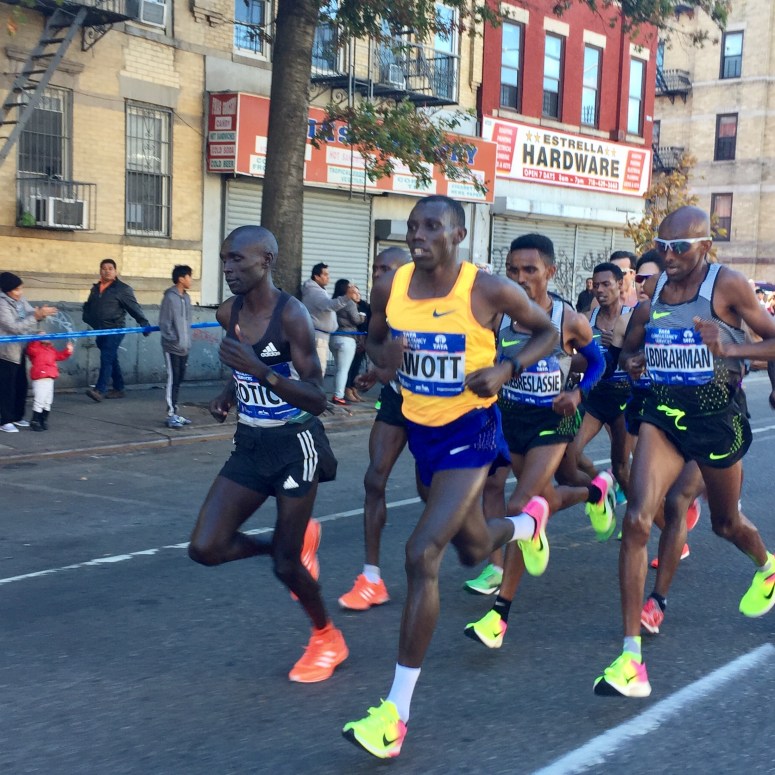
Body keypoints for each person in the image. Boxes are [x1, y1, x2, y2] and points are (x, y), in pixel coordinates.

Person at [341, 195, 558, 758]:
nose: (419, 234)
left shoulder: (485, 289)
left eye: (431, 226)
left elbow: (547, 334)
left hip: (472, 432)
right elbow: (375, 336)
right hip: (423, 432)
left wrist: (508, 366)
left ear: (457, 234)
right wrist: (388, 354)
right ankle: (527, 523)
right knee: (473, 548)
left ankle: (395, 714)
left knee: (421, 554)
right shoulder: (395, 285)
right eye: (413, 225)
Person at [594, 205, 775, 699]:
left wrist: (731, 350)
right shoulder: (654, 297)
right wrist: (635, 361)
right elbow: (637, 351)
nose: (667, 256)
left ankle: (767, 564)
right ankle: (631, 659)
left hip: (717, 422)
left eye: (679, 247)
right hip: (666, 416)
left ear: (705, 247)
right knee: (637, 520)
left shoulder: (727, 285)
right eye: (661, 246)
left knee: (724, 524)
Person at [187, 225, 347, 684]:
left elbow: (317, 398)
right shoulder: (227, 312)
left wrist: (262, 372)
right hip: (251, 444)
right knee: (206, 547)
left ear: (267, 261)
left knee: (286, 564)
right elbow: (242, 369)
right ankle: (288, 546)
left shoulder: (292, 316)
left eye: (239, 259)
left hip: (296, 445)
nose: (230, 268)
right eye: (225, 260)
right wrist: (228, 393)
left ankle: (326, 639)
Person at [463, 233, 607, 650]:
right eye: (512, 270)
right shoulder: (497, 317)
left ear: (550, 271)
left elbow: (598, 362)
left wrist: (577, 394)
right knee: (545, 499)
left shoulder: (567, 319)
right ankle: (597, 491)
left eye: (530, 270)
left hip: (553, 419)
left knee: (518, 506)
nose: (520, 278)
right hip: (512, 419)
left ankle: (498, 617)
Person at [338, 247, 411, 611]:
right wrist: (381, 369)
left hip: (436, 407)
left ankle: (482, 551)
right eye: (376, 268)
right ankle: (371, 578)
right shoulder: (380, 312)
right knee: (374, 480)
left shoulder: (432, 304)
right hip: (396, 400)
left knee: (432, 492)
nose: (379, 274)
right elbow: (380, 352)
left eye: (388, 269)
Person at [561, 262, 635, 535]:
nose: (601, 290)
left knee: (622, 468)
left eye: (607, 284)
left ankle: (636, 523)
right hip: (595, 396)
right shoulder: (585, 321)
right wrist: (590, 353)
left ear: (619, 285)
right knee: (572, 453)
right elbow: (573, 360)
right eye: (596, 284)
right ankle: (600, 484)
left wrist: (620, 346)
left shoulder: (632, 317)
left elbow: (637, 357)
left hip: (624, 399)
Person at [82, 259, 150, 402]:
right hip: (99, 330)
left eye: (110, 268)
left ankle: (99, 390)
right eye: (104, 268)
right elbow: (88, 306)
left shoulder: (122, 289)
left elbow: (134, 308)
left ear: (115, 272)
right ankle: (119, 388)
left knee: (106, 357)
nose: (107, 271)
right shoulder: (95, 288)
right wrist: (87, 317)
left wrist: (144, 323)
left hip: (115, 329)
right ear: (100, 271)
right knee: (111, 358)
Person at [0, 272, 57, 433]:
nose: (20, 292)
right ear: (8, 290)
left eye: (21, 288)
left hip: (20, 349)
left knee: (21, 385)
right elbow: (13, 327)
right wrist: (36, 317)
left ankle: (17, 416)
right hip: (5, 352)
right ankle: (5, 420)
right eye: (17, 289)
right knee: (7, 387)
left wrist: (41, 315)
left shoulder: (20, 301)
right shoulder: (2, 304)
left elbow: (31, 314)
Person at [301, 263, 350, 376]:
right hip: (318, 337)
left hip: (320, 336)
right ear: (316, 276)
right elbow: (328, 305)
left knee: (316, 371)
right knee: (318, 372)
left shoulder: (316, 290)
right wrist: (347, 297)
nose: (328, 277)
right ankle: (313, 393)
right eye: (325, 274)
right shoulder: (314, 291)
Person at [160, 265, 193, 428]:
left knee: (179, 379)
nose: (191, 280)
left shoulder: (186, 298)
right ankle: (170, 414)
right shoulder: (169, 297)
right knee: (172, 379)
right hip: (172, 347)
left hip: (184, 347)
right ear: (181, 278)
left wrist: (186, 342)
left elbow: (187, 323)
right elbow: (164, 323)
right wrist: (173, 340)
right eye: (189, 276)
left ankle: (175, 411)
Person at [25, 337, 74, 431]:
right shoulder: (35, 349)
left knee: (48, 401)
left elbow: (59, 356)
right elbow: (31, 349)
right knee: (40, 400)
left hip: (50, 378)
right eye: (42, 335)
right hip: (40, 378)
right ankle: (35, 421)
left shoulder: (50, 349)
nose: (46, 336)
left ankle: (43, 420)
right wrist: (36, 339)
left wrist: (68, 351)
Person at [329, 279, 364, 405]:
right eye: (350, 286)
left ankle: (336, 393)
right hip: (347, 338)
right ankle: (339, 395)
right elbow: (356, 320)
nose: (353, 289)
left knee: (338, 368)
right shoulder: (349, 302)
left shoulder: (335, 301)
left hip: (333, 337)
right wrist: (362, 316)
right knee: (344, 370)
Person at [344, 285, 370, 403]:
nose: (357, 295)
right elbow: (355, 321)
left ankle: (354, 389)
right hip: (352, 338)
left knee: (357, 365)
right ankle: (347, 389)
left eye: (358, 293)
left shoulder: (364, 306)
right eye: (354, 293)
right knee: (349, 366)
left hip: (363, 339)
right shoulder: (348, 305)